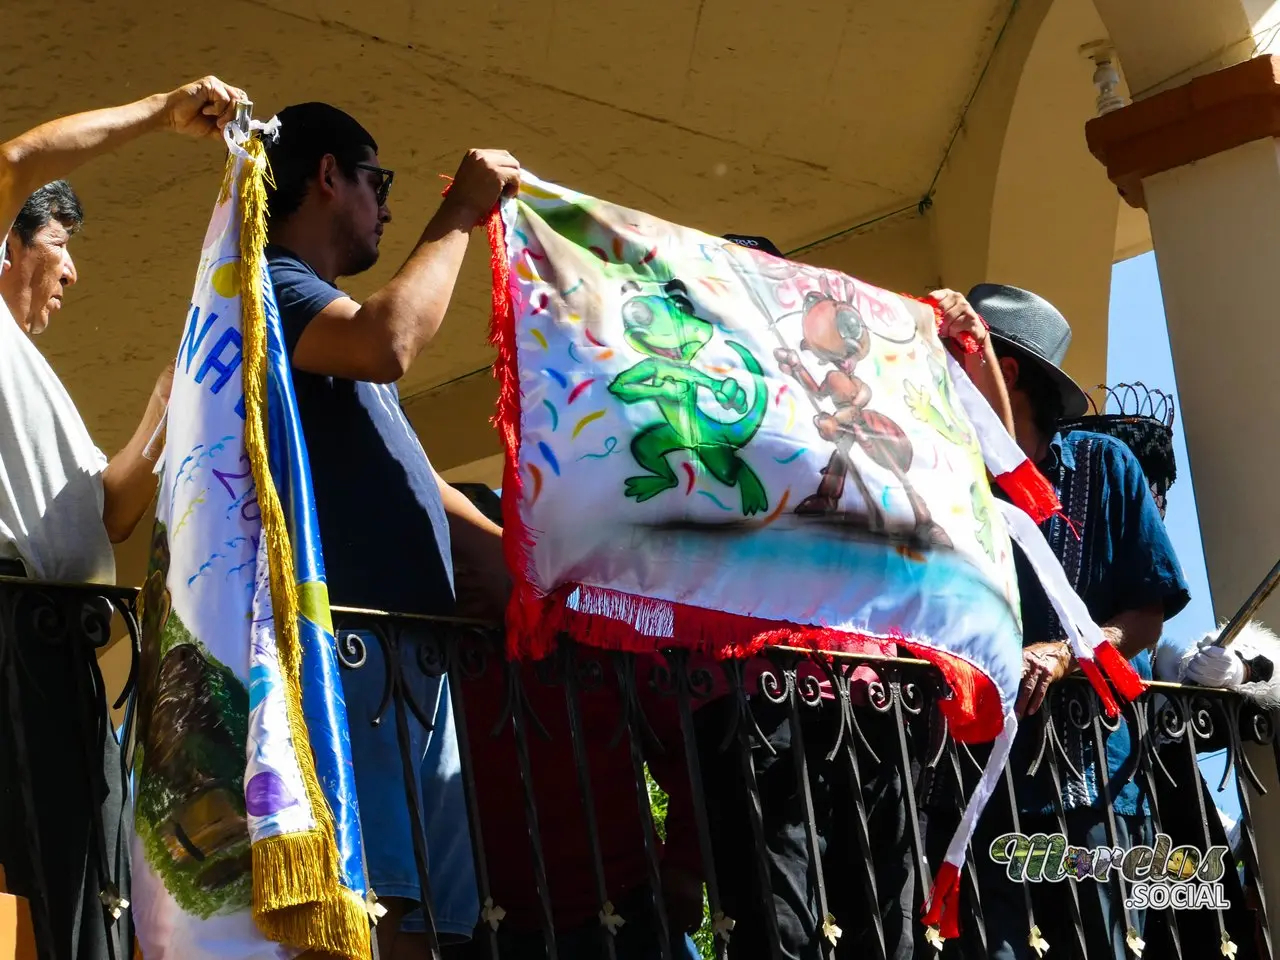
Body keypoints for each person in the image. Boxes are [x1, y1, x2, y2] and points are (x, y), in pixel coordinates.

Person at [693, 246, 1011, 960]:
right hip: (757, 696)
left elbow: (980, 469)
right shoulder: (712, 394)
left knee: (886, 930)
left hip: (875, 699)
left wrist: (967, 345)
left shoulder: (845, 381)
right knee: (781, 928)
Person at [0, 77, 247, 960]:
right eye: (57, 244)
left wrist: (173, 385)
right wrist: (162, 111)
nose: (72, 268)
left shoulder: (32, 382)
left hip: (56, 652)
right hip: (13, 636)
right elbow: (15, 159)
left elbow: (108, 512)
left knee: (90, 902)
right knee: (64, 897)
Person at [262, 102, 516, 958]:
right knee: (377, 916)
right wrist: (462, 214)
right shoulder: (270, 288)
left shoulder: (321, 312)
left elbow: (399, 463)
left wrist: (515, 554)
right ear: (328, 175)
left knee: (426, 924)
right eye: (381, 184)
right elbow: (389, 341)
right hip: (356, 666)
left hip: (406, 668)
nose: (389, 205)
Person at [926, 283, 1191, 959]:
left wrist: (1062, 656)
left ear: (1002, 370)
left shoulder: (1107, 468)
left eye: (950, 360)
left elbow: (1146, 615)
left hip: (1092, 794)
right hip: (975, 796)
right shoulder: (944, 483)